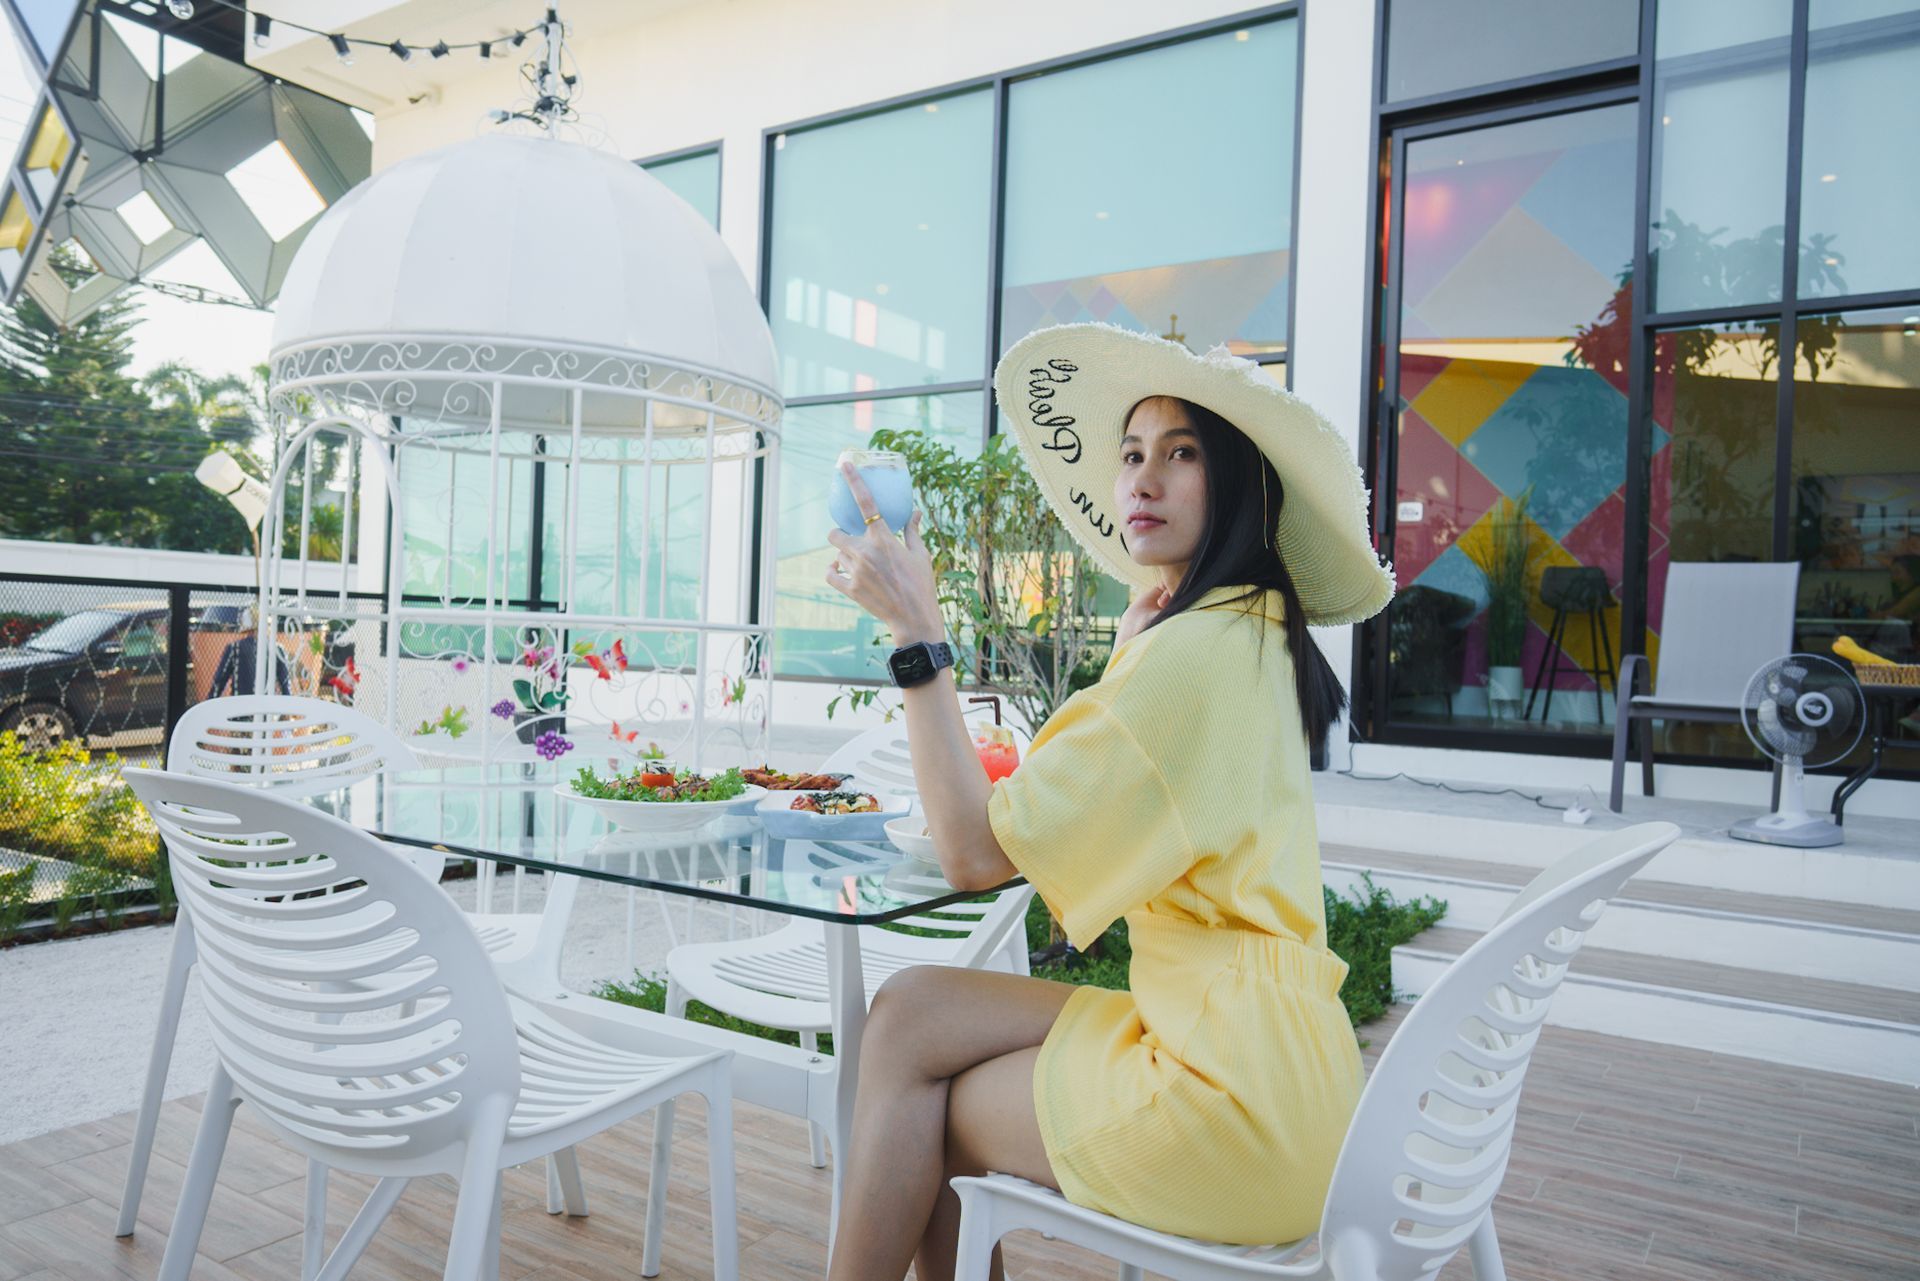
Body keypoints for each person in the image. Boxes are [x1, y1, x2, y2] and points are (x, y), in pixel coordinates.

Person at [821, 322, 1395, 1280]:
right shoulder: (1243, 627)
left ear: (1242, 483)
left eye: (1181, 455)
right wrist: (1128, 658)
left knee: (922, 1105)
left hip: (1230, 1105)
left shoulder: (1187, 660)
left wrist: (917, 633)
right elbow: (1068, 805)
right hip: (1283, 1060)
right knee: (912, 1011)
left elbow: (970, 853)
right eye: (1132, 454)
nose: (1142, 479)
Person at [209, 608, 291, 698]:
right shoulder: (277, 649)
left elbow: (220, 680)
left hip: (241, 706)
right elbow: (285, 685)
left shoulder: (235, 648)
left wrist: (209, 704)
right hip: (267, 707)